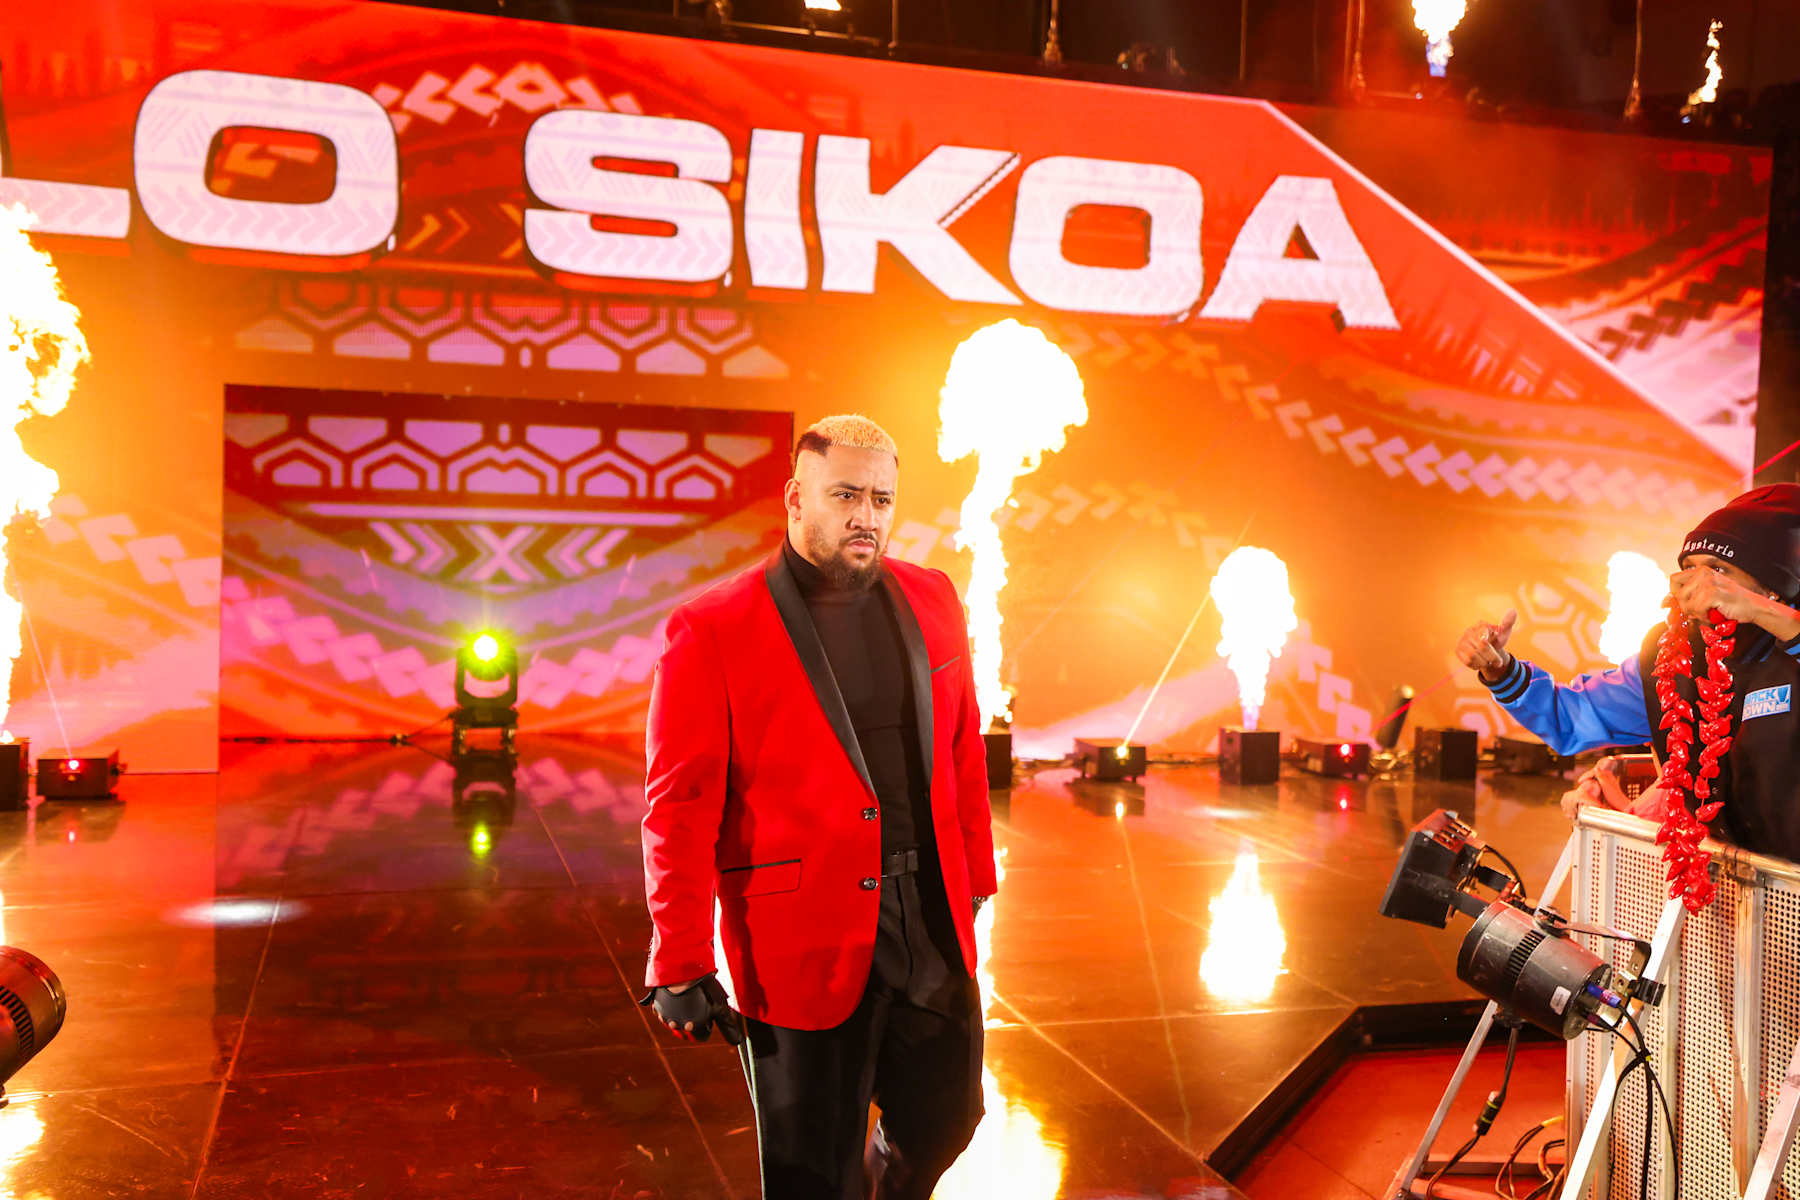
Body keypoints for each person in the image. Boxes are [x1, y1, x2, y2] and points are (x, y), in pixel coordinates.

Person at [639, 414, 996, 1199]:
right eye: (846, 495)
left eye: (881, 499)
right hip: (800, 935)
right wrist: (680, 955)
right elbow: (678, 806)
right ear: (797, 499)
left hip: (929, 914)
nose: (866, 516)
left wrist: (976, 879)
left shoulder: (932, 597)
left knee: (950, 1118)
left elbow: (964, 748)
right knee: (809, 1171)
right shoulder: (711, 627)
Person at [1455, 484, 1800, 860]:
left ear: (1775, 588)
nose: (1699, 586)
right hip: (1738, 886)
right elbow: (1572, 719)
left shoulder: (1788, 648)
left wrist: (1762, 612)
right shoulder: (1672, 657)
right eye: (1690, 569)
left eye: (1719, 571)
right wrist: (1500, 668)